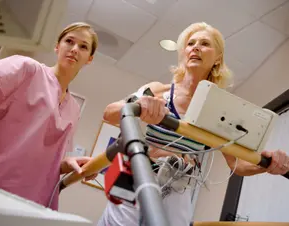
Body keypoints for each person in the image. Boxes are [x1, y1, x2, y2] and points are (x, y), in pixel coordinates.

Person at [97, 22, 289, 226]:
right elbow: (109, 113)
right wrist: (138, 104)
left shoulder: (218, 110)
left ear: (217, 59)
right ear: (184, 53)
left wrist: (266, 163)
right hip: (140, 177)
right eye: (190, 44)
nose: (195, 47)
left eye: (204, 43)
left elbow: (237, 164)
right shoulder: (158, 91)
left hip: (179, 187)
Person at [0, 22, 98, 210]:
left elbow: (44, 160)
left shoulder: (73, 109)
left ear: (89, 58)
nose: (74, 49)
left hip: (31, 202)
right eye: (69, 41)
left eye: (83, 46)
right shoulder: (27, 69)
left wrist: (68, 164)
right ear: (57, 46)